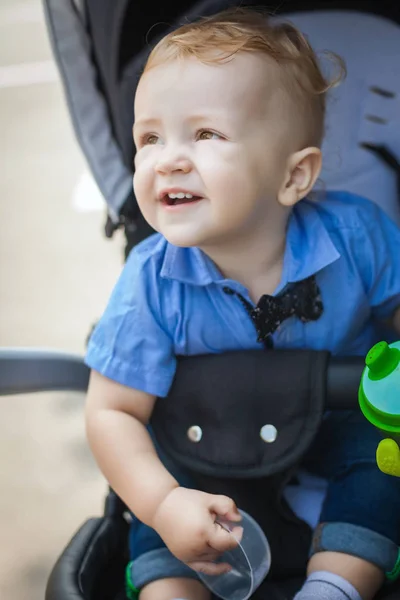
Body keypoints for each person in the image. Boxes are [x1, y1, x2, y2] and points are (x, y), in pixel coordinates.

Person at [84, 8, 400, 600]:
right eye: (149, 137)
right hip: (200, 453)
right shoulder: (150, 282)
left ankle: (334, 584)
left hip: (335, 435)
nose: (167, 158)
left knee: (383, 456)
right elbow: (111, 412)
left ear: (294, 176)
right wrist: (165, 502)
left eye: (205, 134)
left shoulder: (356, 239)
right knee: (156, 493)